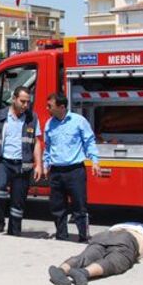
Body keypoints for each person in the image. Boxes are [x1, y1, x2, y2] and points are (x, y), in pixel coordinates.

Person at [0, 86, 43, 236]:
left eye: (28, 102)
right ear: (14, 99)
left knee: (18, 201)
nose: (25, 105)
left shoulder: (32, 118)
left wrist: (39, 165)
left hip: (23, 166)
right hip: (4, 162)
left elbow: (37, 142)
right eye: (22, 101)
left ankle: (14, 231)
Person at [44, 92, 100, 242]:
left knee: (80, 207)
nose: (46, 108)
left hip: (75, 171)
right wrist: (45, 164)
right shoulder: (49, 124)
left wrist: (95, 161)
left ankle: (83, 237)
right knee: (57, 207)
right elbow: (48, 147)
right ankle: (61, 237)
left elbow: (89, 142)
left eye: (50, 106)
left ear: (61, 107)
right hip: (56, 171)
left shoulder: (78, 121)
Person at [47, 222, 143, 285]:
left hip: (105, 234)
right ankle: (84, 272)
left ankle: (61, 270)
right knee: (114, 261)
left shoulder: (122, 225)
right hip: (127, 240)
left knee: (86, 255)